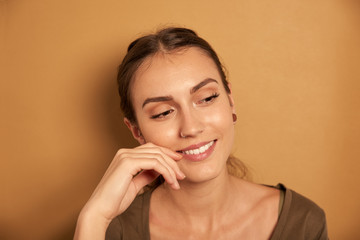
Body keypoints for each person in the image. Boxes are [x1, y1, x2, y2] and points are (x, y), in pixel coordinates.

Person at [74, 27, 328, 240]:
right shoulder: (111, 230)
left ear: (230, 101)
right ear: (137, 132)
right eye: (163, 112)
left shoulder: (303, 222)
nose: (192, 128)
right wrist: (94, 217)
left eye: (206, 98)